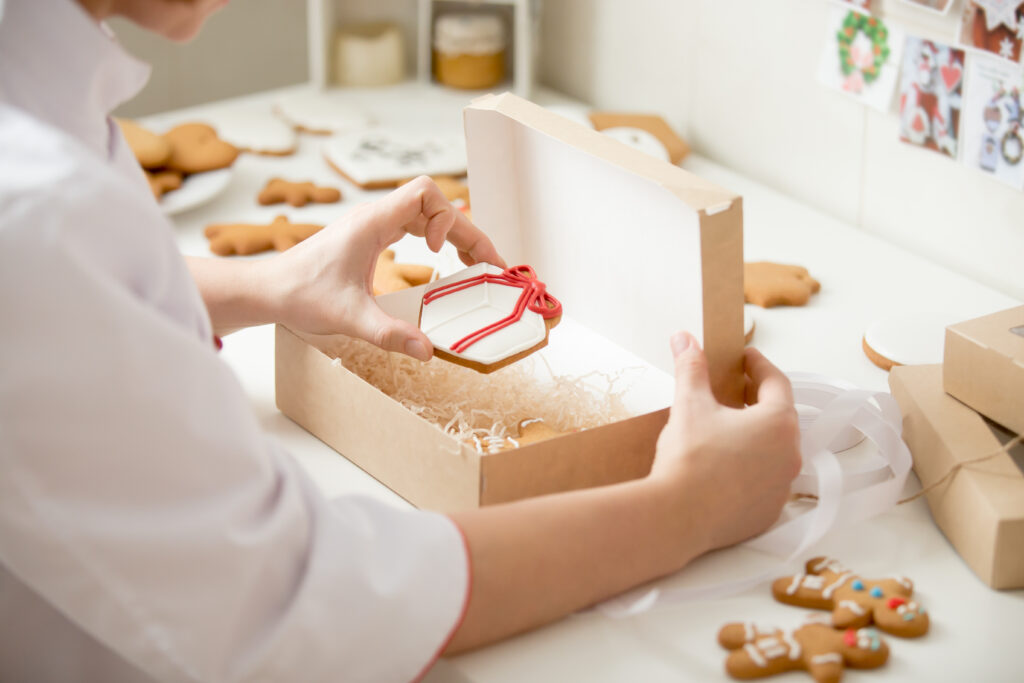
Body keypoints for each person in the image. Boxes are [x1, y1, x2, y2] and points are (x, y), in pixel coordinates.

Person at [0, 0, 802, 681]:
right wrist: (687, 508)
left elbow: (59, 303)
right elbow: (298, 604)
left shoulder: (43, 155)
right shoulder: (38, 208)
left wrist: (267, 285)